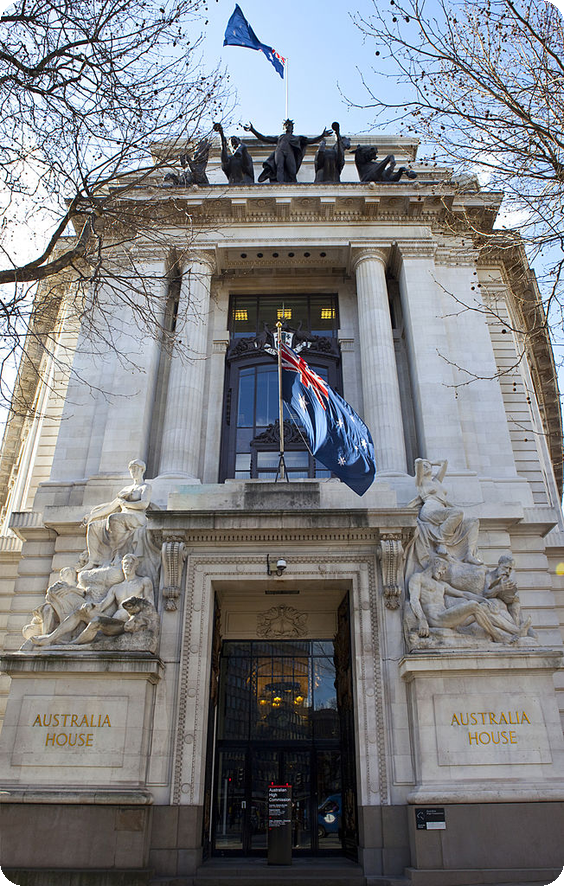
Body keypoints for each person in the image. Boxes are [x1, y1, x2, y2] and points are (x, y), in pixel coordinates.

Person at [31, 553, 154, 646]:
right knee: (81, 611)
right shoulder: (116, 588)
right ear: (122, 566)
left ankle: (72, 645)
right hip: (112, 623)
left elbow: (150, 606)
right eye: (125, 564)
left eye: (131, 564)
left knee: (96, 621)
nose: (128, 566)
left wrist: (137, 618)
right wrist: (90, 605)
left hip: (126, 625)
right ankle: (50, 638)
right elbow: (102, 606)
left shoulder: (143, 581)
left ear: (136, 566)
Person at [407, 558, 530, 643]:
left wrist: (484, 600)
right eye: (443, 568)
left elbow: (463, 594)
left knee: (484, 607)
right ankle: (499, 637)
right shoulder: (418, 578)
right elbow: (414, 600)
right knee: (473, 606)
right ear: (436, 564)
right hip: (436, 618)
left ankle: (517, 631)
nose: (443, 573)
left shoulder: (441, 585)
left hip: (448, 618)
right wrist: (422, 620)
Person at [410, 458, 482, 566]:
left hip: (442, 510)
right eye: (424, 466)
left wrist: (431, 463)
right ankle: (441, 542)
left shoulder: (436, 481)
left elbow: (444, 462)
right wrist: (422, 463)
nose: (427, 466)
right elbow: (417, 462)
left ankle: (469, 554)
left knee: (473, 522)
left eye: (428, 465)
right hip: (430, 511)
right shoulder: (420, 482)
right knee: (457, 513)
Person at [82, 459, 151, 568]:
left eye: (136, 469)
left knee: (115, 518)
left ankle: (117, 554)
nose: (133, 472)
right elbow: (111, 507)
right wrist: (92, 516)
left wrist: (126, 504)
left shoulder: (145, 487)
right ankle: (93, 560)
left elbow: (144, 504)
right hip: (122, 517)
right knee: (93, 526)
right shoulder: (126, 489)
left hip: (137, 517)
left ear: (142, 470)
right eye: (131, 470)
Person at [244, 119, 333, 183]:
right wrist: (253, 130)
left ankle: (292, 184)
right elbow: (264, 138)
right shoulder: (280, 137)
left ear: (292, 128)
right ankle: (280, 184)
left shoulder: (297, 138)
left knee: (292, 170)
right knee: (279, 167)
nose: (287, 126)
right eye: (285, 125)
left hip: (289, 152)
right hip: (279, 152)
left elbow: (310, 141)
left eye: (289, 125)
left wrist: (322, 135)